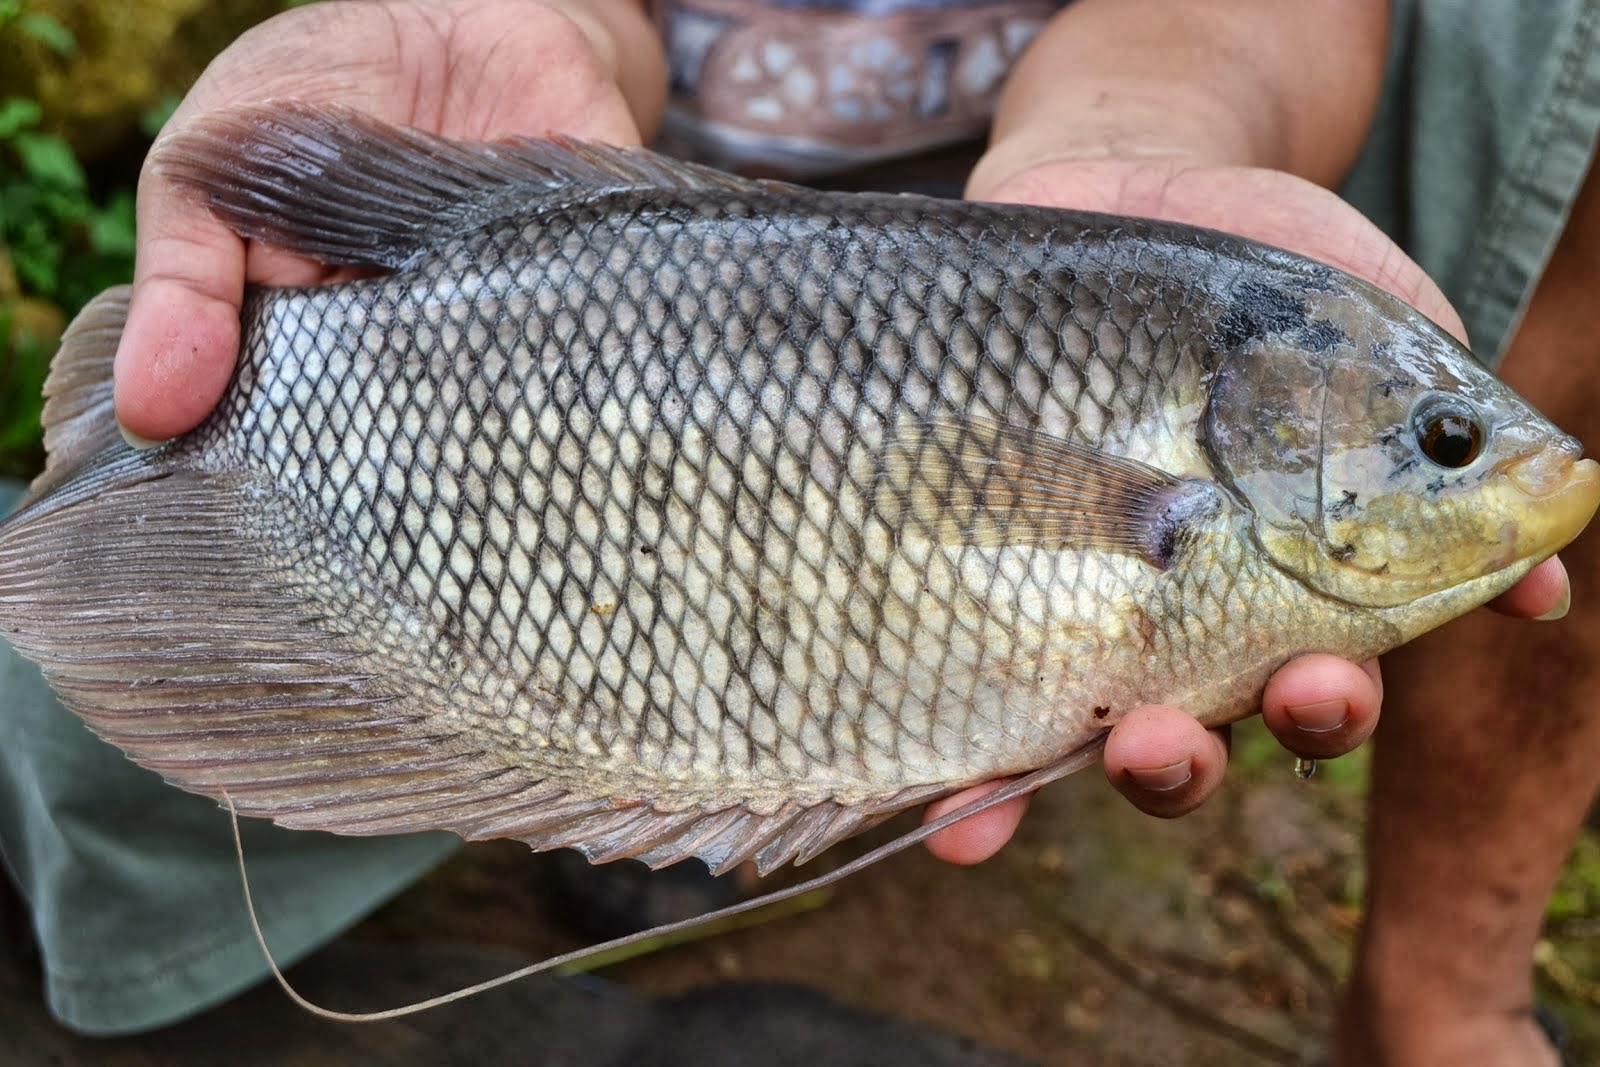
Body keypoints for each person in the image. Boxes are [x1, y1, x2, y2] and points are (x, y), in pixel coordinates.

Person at [1, 0, 1592, 1062]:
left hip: (1098, 169)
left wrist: (1154, 127)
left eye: (1444, 443)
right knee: (82, 700)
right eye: (1449, 447)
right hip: (610, 197)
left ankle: (1447, 998)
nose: (1507, 468)